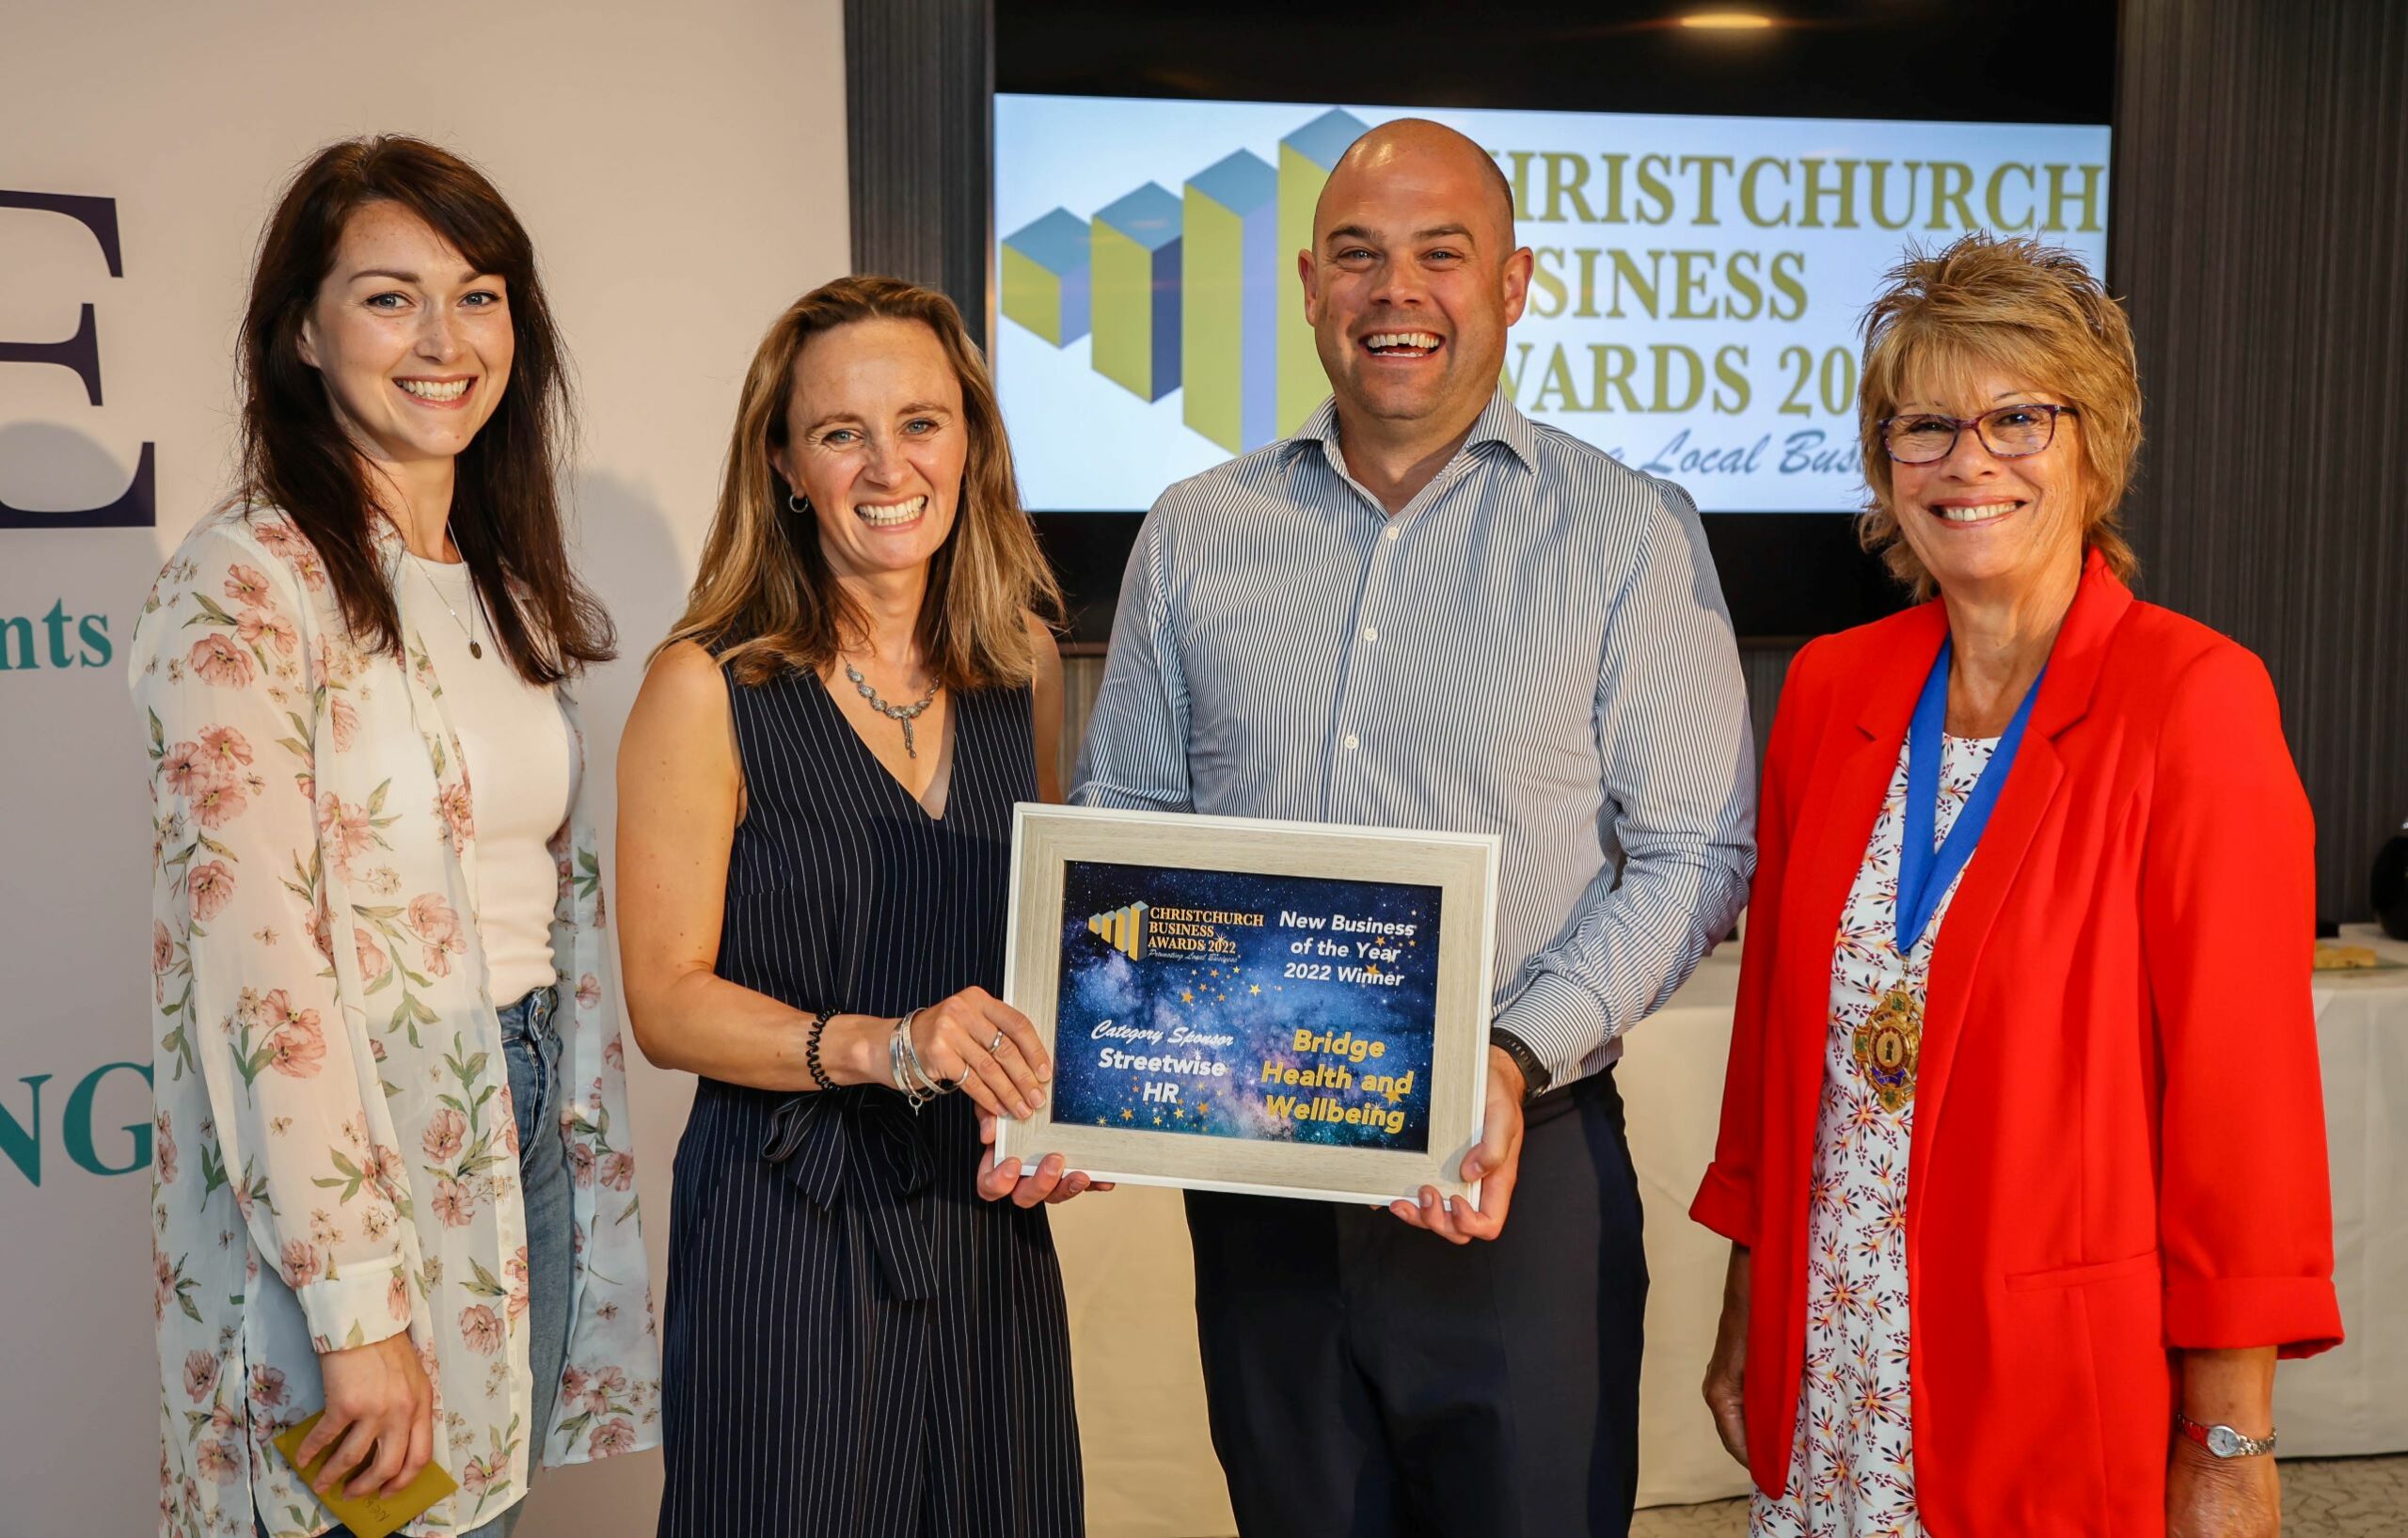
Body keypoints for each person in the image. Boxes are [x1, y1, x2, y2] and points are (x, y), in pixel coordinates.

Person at [1073, 119, 1754, 1537]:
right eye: (1361, 255)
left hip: (1520, 1176)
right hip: (1260, 1177)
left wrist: (1507, 1059)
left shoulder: (1628, 532)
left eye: (1442, 255)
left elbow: (1694, 852)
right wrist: (1080, 1055)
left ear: (1512, 284)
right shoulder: (1196, 530)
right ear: (1311, 285)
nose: (1399, 291)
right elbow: (1128, 820)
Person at [1691, 233, 2342, 1538]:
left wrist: (2229, 1442)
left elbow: (2241, 1109)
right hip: (1839, 1371)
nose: (1967, 461)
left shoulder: (2192, 703)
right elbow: (1777, 1040)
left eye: (2016, 419)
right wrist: (1749, 1311)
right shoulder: (1831, 689)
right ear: (1883, 465)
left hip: (2048, 1380)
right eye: (1924, 425)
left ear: (2094, 446)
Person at [134, 136, 657, 1538]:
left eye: (478, 295)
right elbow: (260, 976)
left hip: (523, 1115)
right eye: (389, 297)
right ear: (300, 331)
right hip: (352, 1184)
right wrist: (355, 1305)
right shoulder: (244, 582)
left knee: (475, 1520)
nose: (444, 340)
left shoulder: (498, 575)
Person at [617, 275, 1090, 1537]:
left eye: (921, 423)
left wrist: (1084, 1103)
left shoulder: (1024, 669)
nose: (890, 465)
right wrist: (888, 1047)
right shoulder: (703, 687)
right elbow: (665, 1003)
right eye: (842, 433)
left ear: (971, 443)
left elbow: (1040, 952)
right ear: (783, 464)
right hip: (787, 1232)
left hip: (983, 1224)